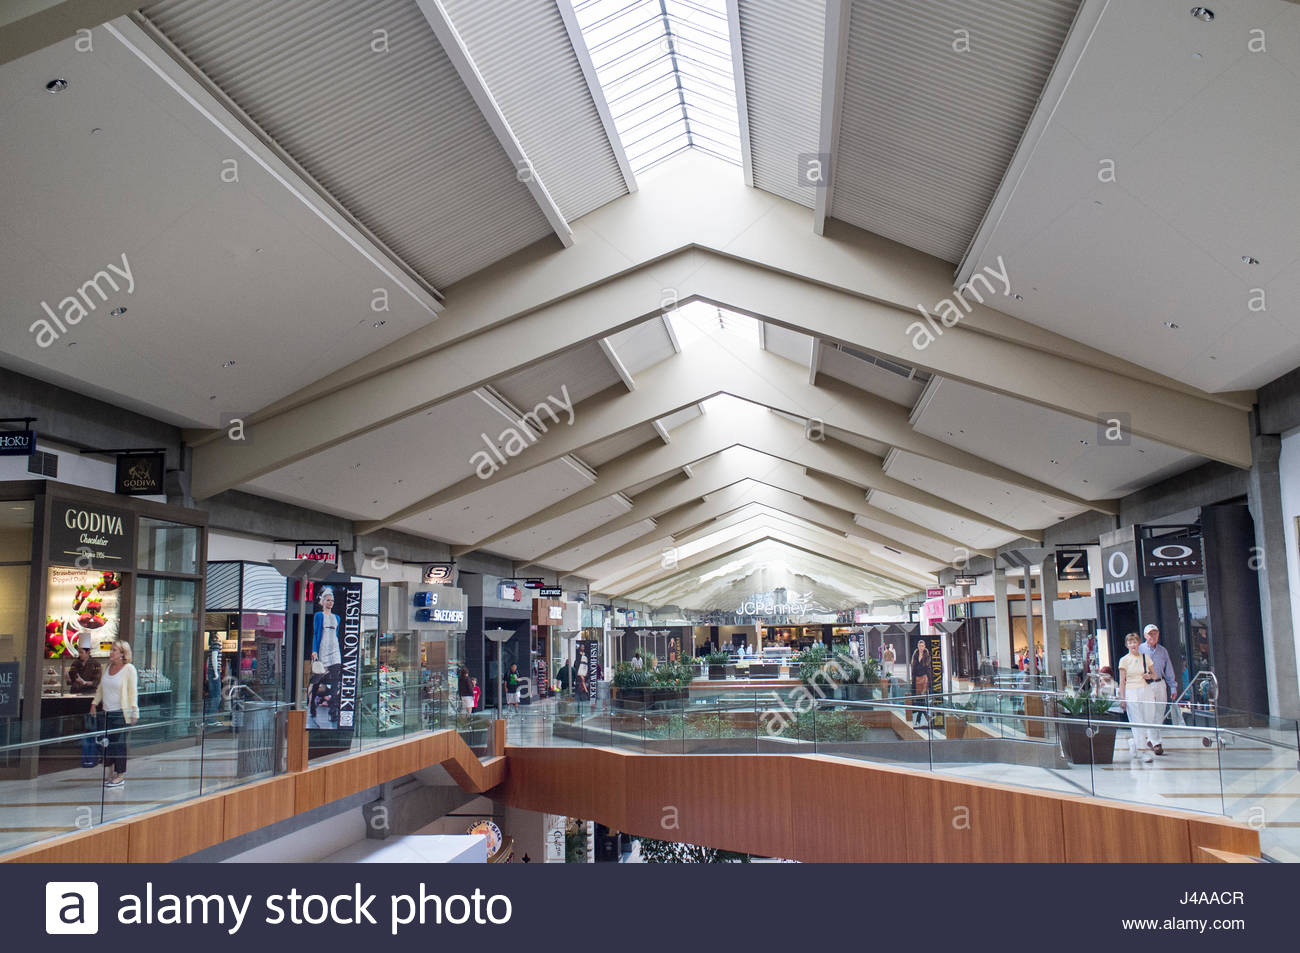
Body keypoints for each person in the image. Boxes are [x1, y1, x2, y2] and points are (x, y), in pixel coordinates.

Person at [89, 639, 138, 788]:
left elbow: (132, 692)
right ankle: (110, 773)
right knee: (107, 744)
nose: (111, 652)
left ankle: (120, 774)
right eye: (111, 650)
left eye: (114, 650)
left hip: (121, 713)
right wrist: (94, 703)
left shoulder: (129, 669)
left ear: (122, 653)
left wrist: (133, 711)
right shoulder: (108, 667)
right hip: (107, 712)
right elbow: (101, 688)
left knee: (119, 745)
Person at [1118, 633, 1156, 763]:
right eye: (1130, 643)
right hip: (1131, 691)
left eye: (1134, 642)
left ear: (1139, 643)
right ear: (1126, 645)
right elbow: (1122, 681)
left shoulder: (1146, 657)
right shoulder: (1124, 660)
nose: (1133, 645)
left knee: (1148, 719)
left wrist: (1149, 676)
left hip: (1145, 689)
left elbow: (1154, 675)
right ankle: (1143, 751)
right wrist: (1122, 698)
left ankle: (1134, 742)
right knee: (1137, 720)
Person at [1138, 623, 1176, 756]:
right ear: (1145, 636)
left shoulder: (1162, 651)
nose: (1153, 636)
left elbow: (1169, 669)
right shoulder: (1139, 649)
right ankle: (1156, 742)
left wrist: (1173, 687)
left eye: (1155, 633)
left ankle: (1152, 739)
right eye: (1150, 634)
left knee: (1159, 712)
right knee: (1150, 713)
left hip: (1160, 683)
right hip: (1146, 684)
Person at [310, 586, 342, 728]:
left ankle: (333, 710)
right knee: (318, 678)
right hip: (323, 646)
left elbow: (336, 634)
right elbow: (316, 633)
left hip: (334, 648)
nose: (330, 603)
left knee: (335, 680)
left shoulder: (337, 618)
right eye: (328, 600)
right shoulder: (318, 616)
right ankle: (312, 704)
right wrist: (314, 650)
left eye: (332, 600)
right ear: (322, 601)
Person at [910, 639, 931, 726]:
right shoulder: (915, 655)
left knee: (921, 698)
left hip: (924, 679)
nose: (921, 647)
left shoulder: (927, 656)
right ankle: (926, 716)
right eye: (920, 646)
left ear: (925, 646)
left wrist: (929, 681)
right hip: (916, 679)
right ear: (918, 646)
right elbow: (913, 667)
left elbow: (927, 669)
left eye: (922, 646)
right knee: (920, 699)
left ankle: (919, 719)